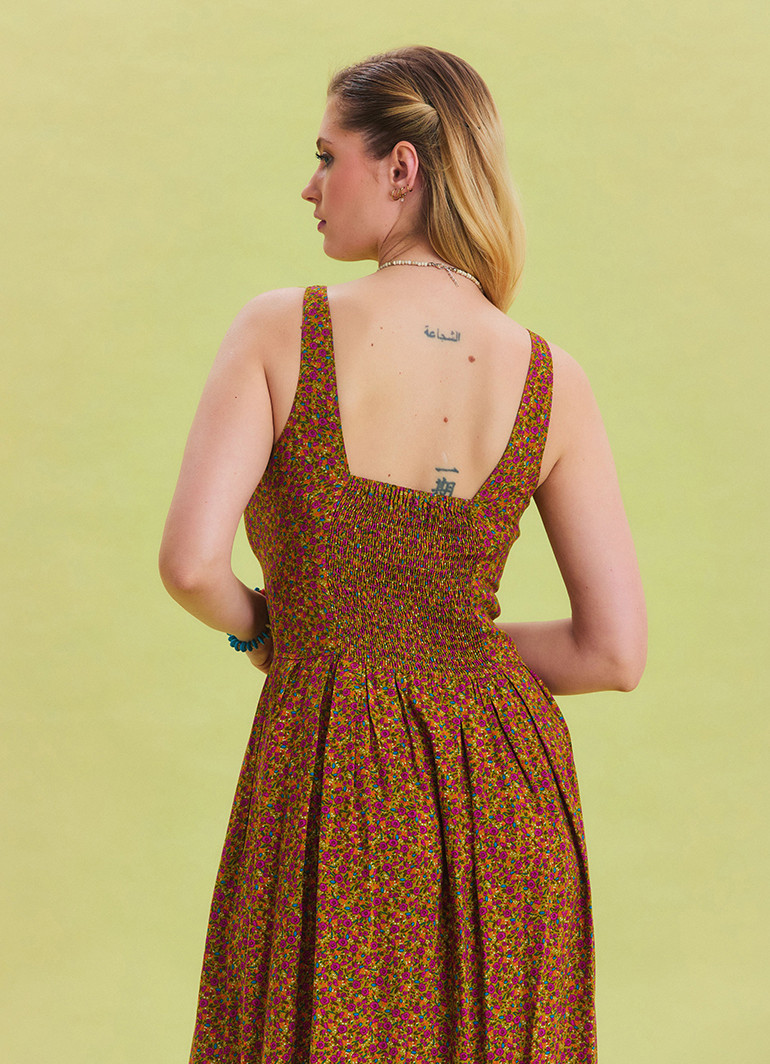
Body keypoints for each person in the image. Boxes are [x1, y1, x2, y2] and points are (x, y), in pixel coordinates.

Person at [159, 44, 646, 1064]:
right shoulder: (551, 377)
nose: (309, 186)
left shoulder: (281, 330)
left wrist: (272, 631)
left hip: (332, 777)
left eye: (324, 155)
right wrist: (442, 647)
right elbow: (613, 653)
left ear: (399, 167)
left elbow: (191, 564)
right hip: (505, 801)